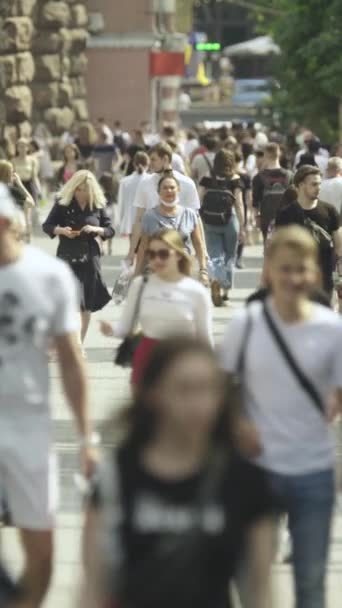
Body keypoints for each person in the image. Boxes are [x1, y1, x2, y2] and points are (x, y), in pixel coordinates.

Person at [81, 337, 275, 608]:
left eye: (208, 389)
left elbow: (260, 593)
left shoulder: (245, 481)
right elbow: (93, 589)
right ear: (153, 394)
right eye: (184, 389)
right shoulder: (118, 476)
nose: (198, 403)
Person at [221, 226, 342, 608]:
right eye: (284, 268)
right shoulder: (247, 324)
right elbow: (222, 389)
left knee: (310, 581)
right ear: (268, 271)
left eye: (300, 269)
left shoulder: (332, 330)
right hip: (256, 470)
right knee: (251, 581)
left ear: (315, 274)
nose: (293, 278)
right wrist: (238, 423)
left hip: (313, 472)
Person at [0, 184, 97, 608]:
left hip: (29, 426)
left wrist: (86, 438)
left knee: (42, 559)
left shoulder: (48, 277)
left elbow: (72, 361)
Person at [100, 229, 212, 385]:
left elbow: (205, 339)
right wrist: (111, 329)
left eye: (163, 254)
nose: (157, 259)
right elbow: (125, 326)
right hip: (147, 360)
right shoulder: (140, 285)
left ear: (179, 254)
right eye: (151, 255)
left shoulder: (196, 292)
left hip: (183, 363)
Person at [42, 170, 115, 349]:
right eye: (78, 189)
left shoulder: (97, 205)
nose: (81, 193)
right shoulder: (63, 204)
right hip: (67, 254)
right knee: (71, 299)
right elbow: (47, 226)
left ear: (92, 190)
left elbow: (109, 229)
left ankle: (79, 343)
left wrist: (97, 230)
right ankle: (69, 342)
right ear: (73, 188)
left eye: (86, 189)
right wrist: (62, 231)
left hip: (91, 256)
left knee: (86, 302)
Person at [127, 142, 200, 267]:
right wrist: (131, 252)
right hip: (152, 252)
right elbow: (139, 220)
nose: (150, 164)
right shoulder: (145, 184)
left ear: (165, 159)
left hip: (181, 253)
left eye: (154, 159)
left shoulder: (187, 184)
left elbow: (196, 221)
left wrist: (202, 254)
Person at [275, 164, 342, 298]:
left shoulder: (330, 211)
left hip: (324, 277)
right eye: (314, 184)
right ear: (300, 185)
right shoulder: (286, 214)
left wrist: (339, 275)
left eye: (319, 184)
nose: (319, 188)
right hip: (296, 279)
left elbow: (339, 246)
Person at [139, 175, 208, 282]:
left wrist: (203, 270)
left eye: (172, 187)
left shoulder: (189, 214)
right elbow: (143, 247)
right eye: (165, 188)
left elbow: (199, 244)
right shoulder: (149, 216)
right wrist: (137, 273)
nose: (169, 191)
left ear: (178, 190)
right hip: (156, 271)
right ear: (159, 192)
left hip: (184, 271)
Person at [200, 149, 245, 306]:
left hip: (210, 220)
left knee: (214, 256)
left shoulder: (207, 175)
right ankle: (225, 292)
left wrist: (200, 219)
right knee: (229, 256)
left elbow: (200, 198)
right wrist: (243, 225)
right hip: (229, 221)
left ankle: (215, 279)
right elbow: (239, 203)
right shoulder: (235, 178)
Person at [252, 142, 293, 244]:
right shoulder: (289, 175)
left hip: (267, 219)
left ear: (265, 155)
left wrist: (257, 218)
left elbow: (255, 201)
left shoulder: (258, 177)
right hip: (287, 219)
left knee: (269, 249)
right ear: (279, 154)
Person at [117, 151, 150, 244]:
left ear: (134, 164)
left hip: (131, 222)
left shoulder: (125, 182)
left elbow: (121, 204)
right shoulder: (151, 180)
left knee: (134, 250)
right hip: (148, 221)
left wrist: (122, 223)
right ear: (148, 164)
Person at [0, 160, 34, 241]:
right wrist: (20, 184)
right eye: (12, 172)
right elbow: (31, 203)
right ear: (7, 174)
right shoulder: (12, 191)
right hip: (10, 233)